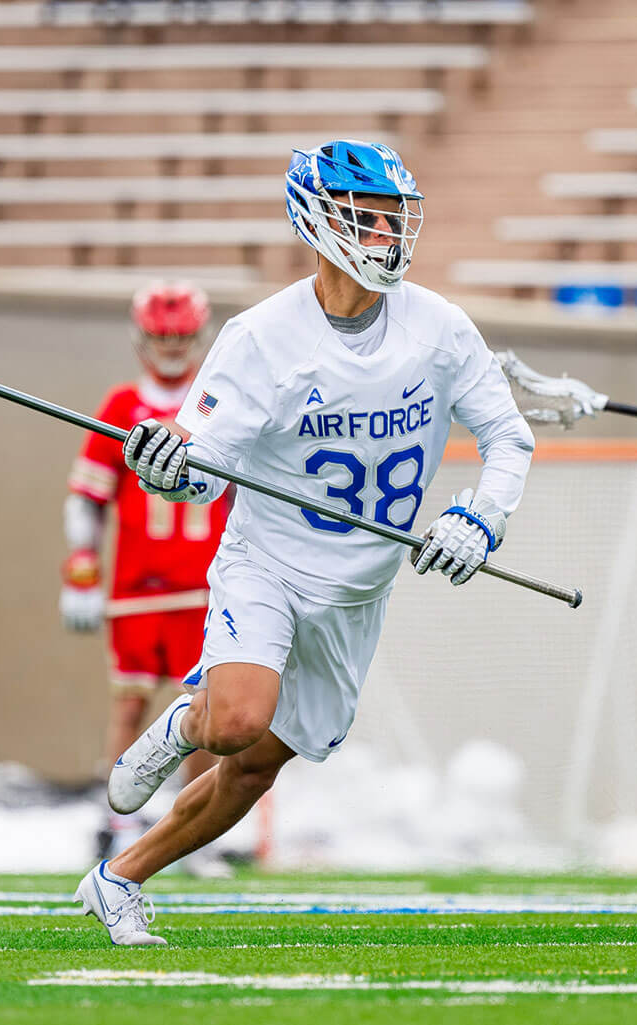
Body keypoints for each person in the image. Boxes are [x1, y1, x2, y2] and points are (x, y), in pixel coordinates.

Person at [74, 139, 536, 945]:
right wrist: (162, 469)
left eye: (396, 221)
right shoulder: (262, 338)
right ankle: (186, 722)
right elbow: (205, 472)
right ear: (317, 221)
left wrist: (479, 518)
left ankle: (117, 878)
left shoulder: (439, 328)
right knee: (233, 724)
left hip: (358, 592)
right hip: (270, 567)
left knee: (253, 770)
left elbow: (509, 439)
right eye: (368, 220)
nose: (388, 238)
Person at [62, 282, 234, 866]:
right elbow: (87, 495)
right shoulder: (121, 408)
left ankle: (197, 828)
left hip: (206, 588)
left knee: (204, 713)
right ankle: (114, 822)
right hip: (139, 588)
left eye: (182, 337)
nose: (172, 348)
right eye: (162, 337)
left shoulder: (216, 404)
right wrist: (80, 567)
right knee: (130, 709)